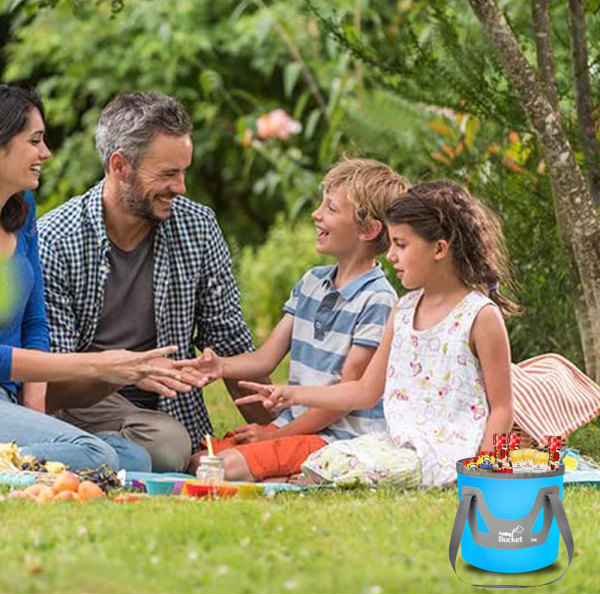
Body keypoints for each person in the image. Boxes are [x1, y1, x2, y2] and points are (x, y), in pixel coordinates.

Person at [38, 92, 267, 472]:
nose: (181, 187)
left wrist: (278, 434)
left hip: (165, 413)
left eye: (184, 172)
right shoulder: (56, 240)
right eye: (167, 174)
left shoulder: (198, 226)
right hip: (82, 403)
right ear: (120, 166)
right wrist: (121, 371)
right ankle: (87, 452)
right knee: (168, 446)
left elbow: (229, 341)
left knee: (168, 442)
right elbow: (51, 383)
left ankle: (101, 457)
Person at [238, 180, 516, 487]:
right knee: (325, 459)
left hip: (448, 454)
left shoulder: (480, 315)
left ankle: (300, 481)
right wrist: (293, 395)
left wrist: (486, 474)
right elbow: (365, 390)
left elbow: (502, 407)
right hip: (395, 445)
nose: (391, 256)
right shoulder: (404, 310)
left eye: (401, 245)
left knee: (345, 468)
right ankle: (297, 480)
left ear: (439, 249)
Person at [0, 84, 197, 472]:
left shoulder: (23, 212)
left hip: (7, 401)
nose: (46, 153)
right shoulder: (64, 231)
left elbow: (35, 325)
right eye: (34, 141)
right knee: (95, 455)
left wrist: (37, 416)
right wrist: (99, 366)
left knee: (133, 457)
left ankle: (13, 462)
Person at [186, 158, 409, 481]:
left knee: (219, 468)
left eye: (330, 209)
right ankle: (284, 473)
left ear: (368, 229)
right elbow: (265, 360)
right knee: (199, 457)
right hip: (293, 428)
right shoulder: (312, 283)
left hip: (336, 439)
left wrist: (279, 436)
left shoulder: (378, 299)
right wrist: (220, 366)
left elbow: (345, 398)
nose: (316, 213)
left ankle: (296, 474)